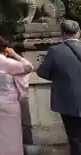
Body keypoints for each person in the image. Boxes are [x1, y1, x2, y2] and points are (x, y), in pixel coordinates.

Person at [0, 35, 33, 155]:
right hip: (9, 102)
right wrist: (16, 56)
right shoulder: (9, 63)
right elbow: (29, 67)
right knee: (12, 134)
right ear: (6, 48)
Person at [36, 19, 81, 155]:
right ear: (78, 32)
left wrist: (60, 78)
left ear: (62, 33)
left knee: (75, 138)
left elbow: (41, 72)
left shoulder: (55, 50)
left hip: (68, 100)